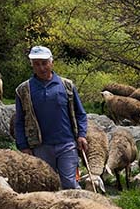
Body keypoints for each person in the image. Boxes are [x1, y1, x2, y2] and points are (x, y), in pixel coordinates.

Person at [12, 46, 88, 190]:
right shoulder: (23, 90)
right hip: (40, 147)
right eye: (37, 64)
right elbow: (19, 121)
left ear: (51, 63)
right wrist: (23, 146)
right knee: (44, 186)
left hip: (67, 144)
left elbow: (80, 114)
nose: (41, 68)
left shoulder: (67, 86)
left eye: (44, 63)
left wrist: (82, 135)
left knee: (70, 184)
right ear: (32, 66)